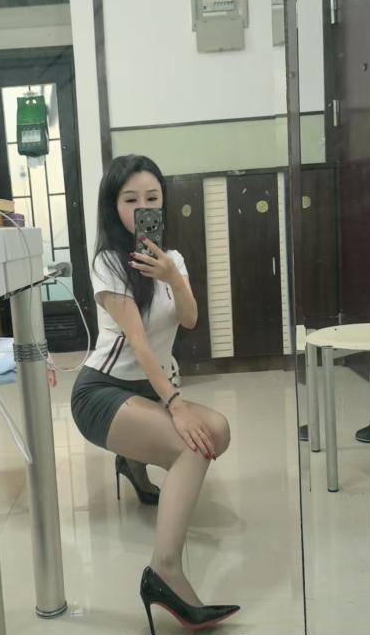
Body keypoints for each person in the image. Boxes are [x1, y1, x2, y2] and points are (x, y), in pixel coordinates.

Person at [71, 154, 239, 633]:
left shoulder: (172, 261)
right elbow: (139, 342)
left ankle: (132, 462)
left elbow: (190, 319)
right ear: (113, 206)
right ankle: (164, 571)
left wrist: (172, 277)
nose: (141, 207)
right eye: (130, 200)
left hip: (147, 390)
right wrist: (177, 406)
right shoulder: (107, 263)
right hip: (102, 392)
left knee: (218, 431)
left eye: (152, 198)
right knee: (193, 446)